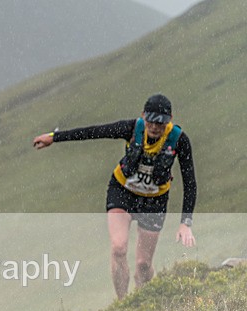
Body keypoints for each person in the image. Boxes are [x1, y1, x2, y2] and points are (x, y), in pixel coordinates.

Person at [32, 94, 197, 299]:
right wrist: (54, 137)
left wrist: (185, 222)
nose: (155, 127)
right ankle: (122, 304)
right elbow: (94, 132)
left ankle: (142, 305)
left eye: (161, 123)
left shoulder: (180, 140)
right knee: (119, 247)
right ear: (143, 116)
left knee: (143, 265)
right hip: (123, 192)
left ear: (170, 119)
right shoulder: (130, 128)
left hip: (154, 201)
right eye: (151, 121)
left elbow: (190, 181)